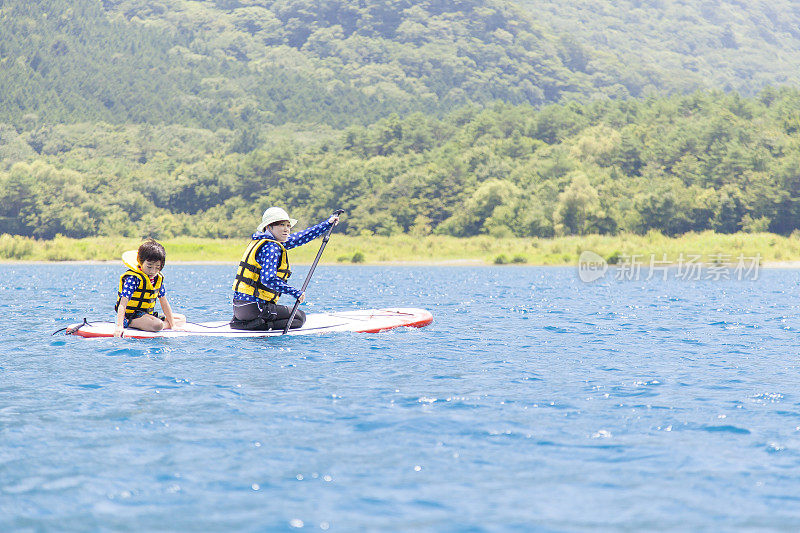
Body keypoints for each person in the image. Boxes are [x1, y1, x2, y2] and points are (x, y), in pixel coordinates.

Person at [231, 207, 339, 331]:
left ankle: (244, 323)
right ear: (268, 227)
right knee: (299, 318)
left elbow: (300, 237)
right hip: (255, 309)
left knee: (294, 315)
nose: (286, 229)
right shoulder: (272, 247)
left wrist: (327, 224)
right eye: (281, 225)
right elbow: (268, 279)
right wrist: (295, 293)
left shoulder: (263, 241)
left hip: (240, 309)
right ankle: (257, 326)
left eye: (288, 225)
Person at [114, 239, 186, 338]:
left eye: (157, 267)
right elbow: (123, 302)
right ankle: (128, 323)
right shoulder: (133, 279)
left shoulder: (157, 279)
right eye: (149, 266)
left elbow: (164, 302)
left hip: (146, 315)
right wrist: (119, 326)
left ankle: (158, 324)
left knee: (181, 319)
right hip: (132, 315)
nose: (153, 271)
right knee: (158, 325)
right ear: (140, 262)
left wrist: (173, 325)